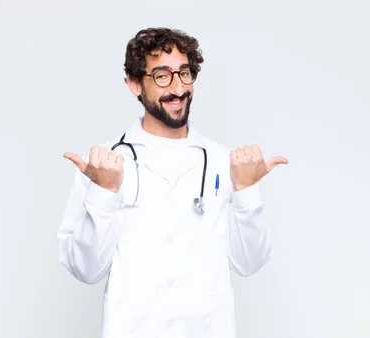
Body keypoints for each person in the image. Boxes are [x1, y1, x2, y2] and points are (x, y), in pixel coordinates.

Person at [56, 27, 288, 338]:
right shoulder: (102, 162)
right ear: (135, 84)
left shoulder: (223, 161)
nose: (177, 88)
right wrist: (103, 192)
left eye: (185, 73)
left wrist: (246, 191)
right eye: (162, 75)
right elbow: (85, 270)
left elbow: (250, 262)